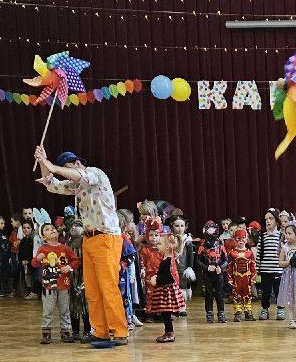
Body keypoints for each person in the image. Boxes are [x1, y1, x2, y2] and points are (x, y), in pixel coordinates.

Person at [34, 146, 129, 348]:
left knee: (108, 287)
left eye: (67, 168)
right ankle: (101, 331)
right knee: (92, 290)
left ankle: (119, 330)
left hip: (106, 237)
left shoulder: (95, 173)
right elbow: (51, 184)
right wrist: (43, 161)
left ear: (77, 163)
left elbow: (77, 175)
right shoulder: (77, 185)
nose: (67, 174)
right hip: (89, 239)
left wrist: (53, 167)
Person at [31, 220, 78, 344]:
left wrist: (69, 267)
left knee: (64, 309)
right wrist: (37, 259)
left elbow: (75, 260)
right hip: (48, 286)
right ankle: (46, 333)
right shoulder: (42, 249)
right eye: (47, 229)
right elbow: (34, 264)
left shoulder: (65, 248)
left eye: (52, 228)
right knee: (48, 310)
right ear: (43, 237)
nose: (51, 230)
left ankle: (66, 332)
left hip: (64, 284)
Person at [141, 223, 185, 343]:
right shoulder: (165, 258)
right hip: (164, 289)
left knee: (166, 313)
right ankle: (168, 332)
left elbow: (168, 277)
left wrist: (157, 280)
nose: (157, 245)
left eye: (160, 244)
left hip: (166, 290)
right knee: (165, 314)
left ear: (167, 246)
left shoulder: (168, 260)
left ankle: (169, 333)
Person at [196, 221, 229, 324]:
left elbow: (226, 260)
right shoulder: (202, 246)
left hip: (218, 274)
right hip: (207, 275)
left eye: (213, 229)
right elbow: (198, 261)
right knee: (208, 294)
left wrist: (221, 268)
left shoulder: (220, 245)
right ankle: (209, 313)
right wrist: (207, 268)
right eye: (209, 229)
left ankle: (221, 313)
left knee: (219, 294)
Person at [226, 225, 256, 321]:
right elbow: (229, 267)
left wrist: (253, 278)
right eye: (238, 238)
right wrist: (230, 278)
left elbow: (253, 267)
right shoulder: (232, 253)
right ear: (234, 239)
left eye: (243, 238)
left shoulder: (249, 253)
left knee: (248, 294)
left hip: (247, 278)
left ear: (246, 239)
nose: (241, 240)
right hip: (237, 278)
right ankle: (238, 312)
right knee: (237, 294)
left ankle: (248, 311)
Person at [257, 210, 283, 320]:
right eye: (266, 219)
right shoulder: (262, 237)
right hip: (265, 270)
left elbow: (284, 253)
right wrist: (258, 268)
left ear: (276, 221)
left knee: (279, 291)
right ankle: (264, 309)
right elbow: (259, 254)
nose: (268, 221)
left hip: (278, 270)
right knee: (266, 292)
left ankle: (280, 309)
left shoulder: (281, 236)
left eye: (270, 218)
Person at [277, 224, 296, 326]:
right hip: (288, 277)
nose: (287, 235)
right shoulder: (285, 248)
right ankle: (291, 319)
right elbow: (280, 263)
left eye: (289, 233)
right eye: (286, 233)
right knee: (290, 297)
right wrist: (289, 262)